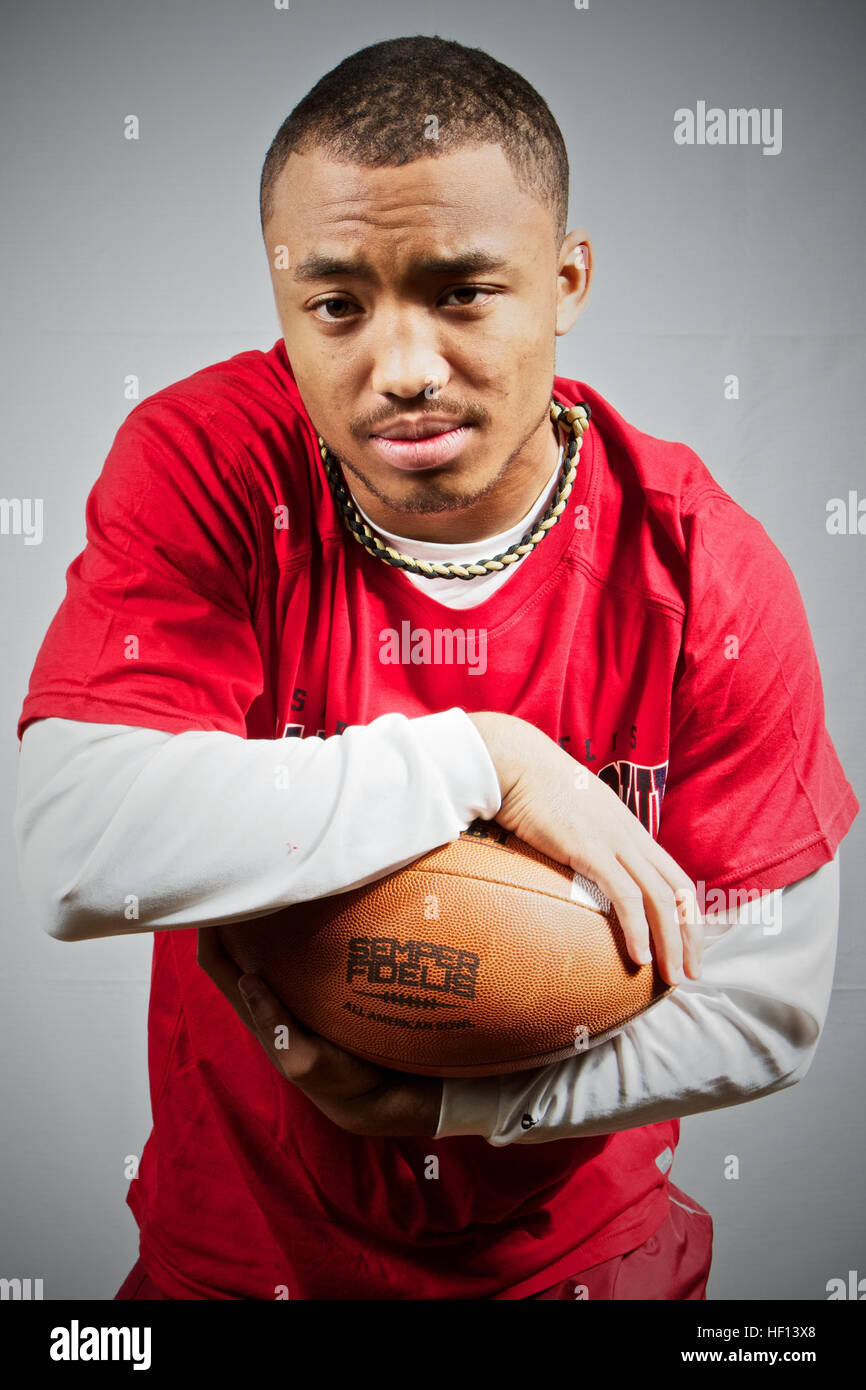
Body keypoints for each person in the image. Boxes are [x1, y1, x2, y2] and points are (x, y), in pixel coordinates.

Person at [14, 35, 858, 1302]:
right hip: (241, 1260)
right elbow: (73, 846)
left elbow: (769, 1002)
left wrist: (462, 1101)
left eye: (462, 291)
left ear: (565, 280)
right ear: (282, 296)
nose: (401, 368)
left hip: (576, 1266)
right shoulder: (212, 466)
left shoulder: (700, 566)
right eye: (336, 305)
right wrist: (482, 761)